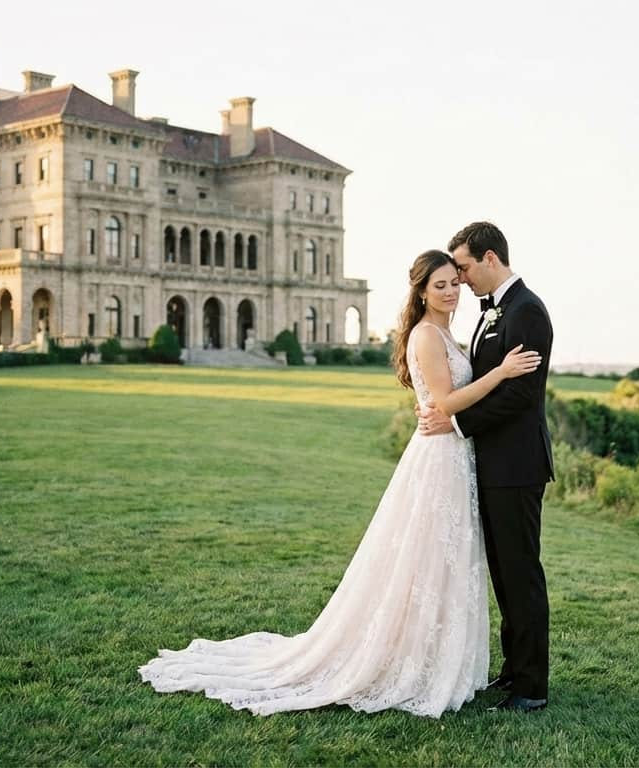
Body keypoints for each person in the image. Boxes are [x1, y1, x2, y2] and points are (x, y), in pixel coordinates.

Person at [137, 249, 540, 718]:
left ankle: (437, 658)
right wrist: (501, 372)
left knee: (442, 559)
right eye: (441, 285)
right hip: (440, 457)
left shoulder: (445, 332)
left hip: (453, 454)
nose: (452, 291)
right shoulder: (427, 335)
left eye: (455, 282)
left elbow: (442, 402)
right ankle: (413, 660)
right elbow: (446, 402)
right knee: (429, 555)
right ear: (421, 292)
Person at [417, 221, 555, 713]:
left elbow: (521, 394)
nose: (460, 278)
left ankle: (531, 687)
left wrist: (455, 422)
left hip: (517, 465)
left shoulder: (526, 310)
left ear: (490, 258)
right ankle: (514, 671)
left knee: (521, 575)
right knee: (503, 574)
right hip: (490, 466)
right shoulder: (493, 310)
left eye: (464, 267)